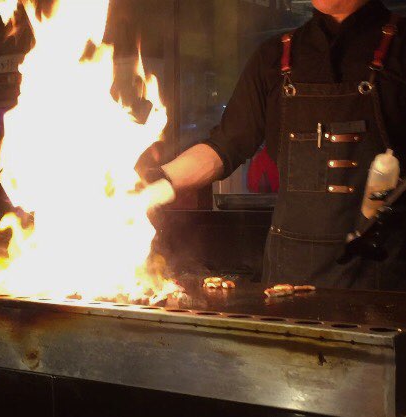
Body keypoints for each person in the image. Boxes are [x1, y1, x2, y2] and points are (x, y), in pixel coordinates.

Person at [141, 0, 406, 290]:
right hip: (289, 280)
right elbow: (223, 147)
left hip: (384, 279)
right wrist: (147, 187)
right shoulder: (275, 56)